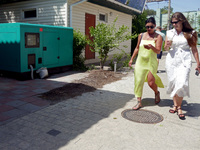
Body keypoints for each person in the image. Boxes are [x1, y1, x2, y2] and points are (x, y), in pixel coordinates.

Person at [164, 12, 200, 120]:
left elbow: (194, 49)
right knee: (173, 82)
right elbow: (165, 49)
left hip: (184, 61)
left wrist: (198, 63)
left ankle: (179, 107)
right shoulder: (169, 33)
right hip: (171, 60)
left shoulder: (191, 33)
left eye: (176, 22)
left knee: (182, 82)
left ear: (182, 21)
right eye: (172, 22)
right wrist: (167, 46)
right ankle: (175, 105)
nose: (174, 24)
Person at [129, 17, 164, 110]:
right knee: (138, 81)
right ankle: (139, 102)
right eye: (147, 27)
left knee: (151, 83)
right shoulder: (141, 35)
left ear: (155, 26)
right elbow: (137, 48)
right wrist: (132, 59)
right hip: (140, 62)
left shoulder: (158, 36)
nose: (149, 29)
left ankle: (156, 93)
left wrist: (151, 47)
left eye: (151, 27)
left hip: (151, 62)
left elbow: (158, 51)